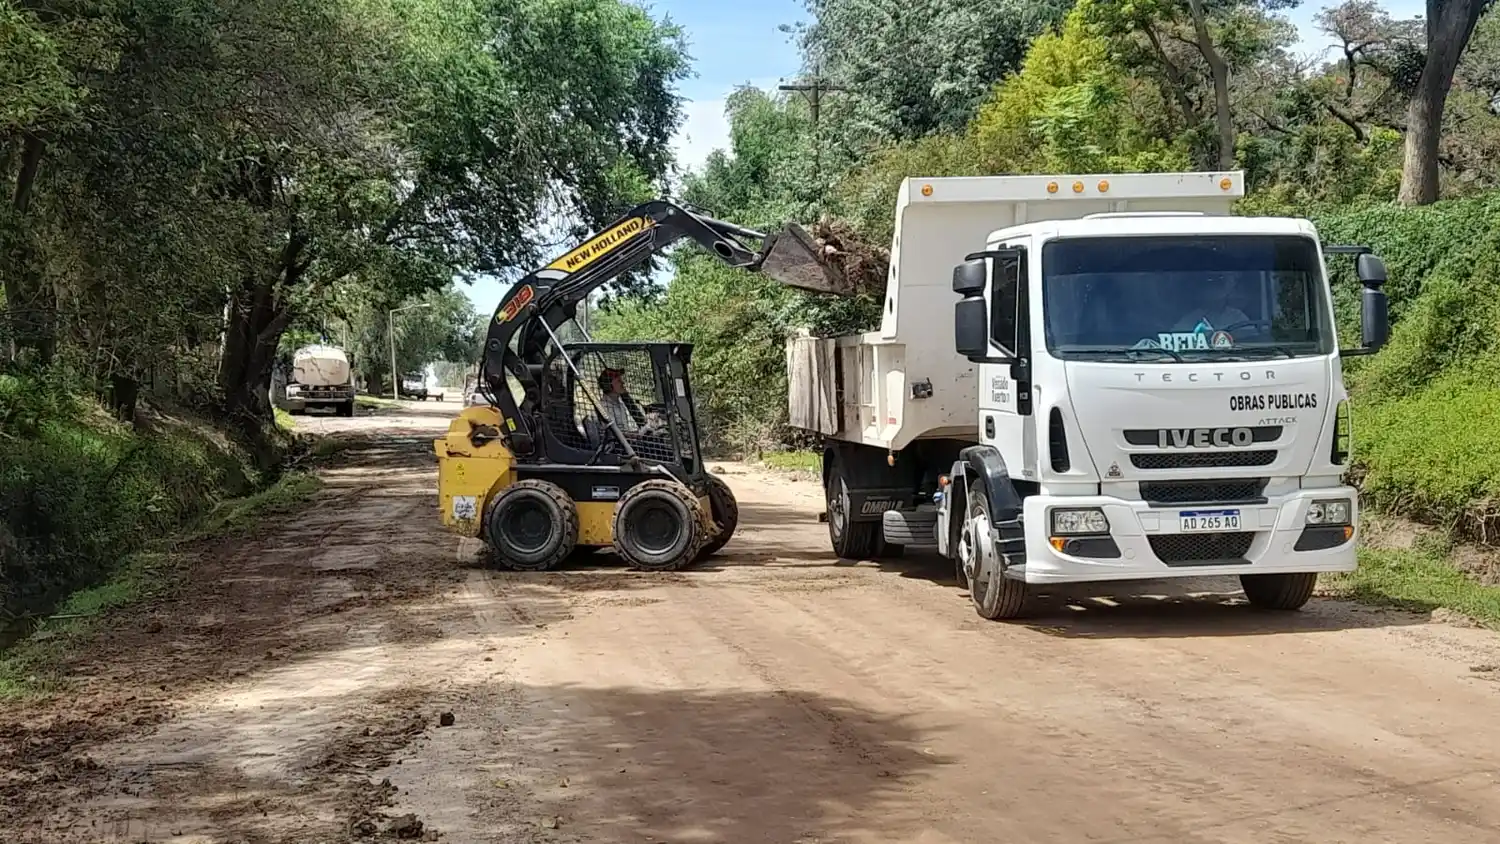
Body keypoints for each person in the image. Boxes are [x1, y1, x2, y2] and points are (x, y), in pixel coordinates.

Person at [1171, 273, 1250, 334]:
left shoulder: (1237, 316)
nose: (1215, 293)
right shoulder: (1191, 319)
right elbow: (1175, 337)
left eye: (1219, 287)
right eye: (1211, 289)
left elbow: (1250, 339)